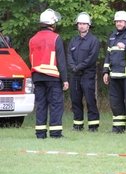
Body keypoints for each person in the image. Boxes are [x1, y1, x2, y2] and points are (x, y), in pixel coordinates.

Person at [29, 8, 69, 139]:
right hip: (52, 77)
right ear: (52, 23)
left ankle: (40, 133)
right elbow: (61, 61)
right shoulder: (56, 38)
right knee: (56, 105)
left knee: (41, 105)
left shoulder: (32, 39)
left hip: (37, 77)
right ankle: (55, 133)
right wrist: (65, 80)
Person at [67, 12, 100, 132]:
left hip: (87, 75)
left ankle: (93, 126)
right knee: (75, 100)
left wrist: (78, 67)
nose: (81, 26)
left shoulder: (93, 40)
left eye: (84, 24)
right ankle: (77, 125)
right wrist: (72, 66)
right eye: (80, 24)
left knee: (90, 100)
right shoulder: (73, 40)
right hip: (75, 76)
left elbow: (91, 58)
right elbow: (69, 55)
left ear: (88, 26)